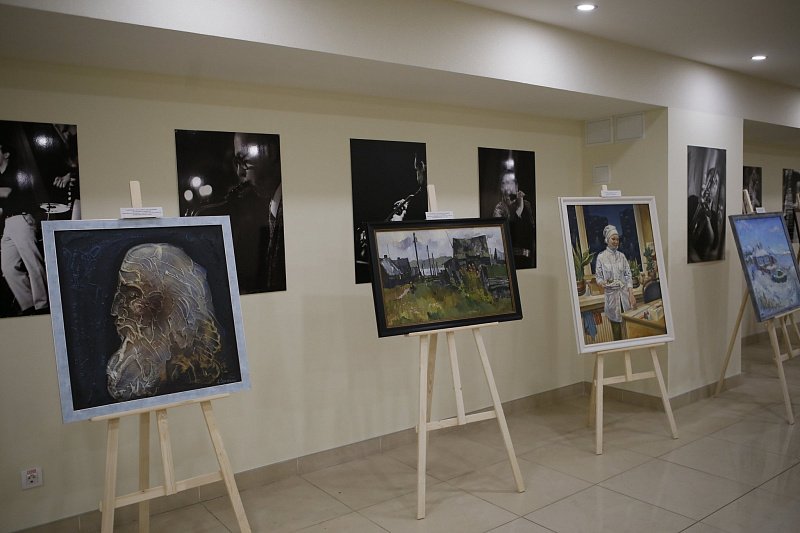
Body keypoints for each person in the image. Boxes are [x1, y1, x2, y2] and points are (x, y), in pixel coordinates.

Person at [196, 132, 285, 293]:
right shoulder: (274, 204)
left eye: (243, 161)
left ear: (270, 152)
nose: (239, 173)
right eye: (236, 163)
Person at [0, 142, 48, 315]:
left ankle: (43, 305)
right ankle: (28, 305)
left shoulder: (16, 171)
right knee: (8, 267)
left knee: (33, 263)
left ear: (6, 154)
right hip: (8, 224)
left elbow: (6, 192)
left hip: (21, 219)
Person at [594, 224, 636, 341]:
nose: (616, 241)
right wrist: (603, 283)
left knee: (629, 330)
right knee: (617, 332)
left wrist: (631, 294)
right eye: (613, 239)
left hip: (625, 298)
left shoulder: (622, 256)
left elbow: (628, 275)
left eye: (617, 239)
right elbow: (598, 278)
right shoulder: (601, 257)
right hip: (612, 299)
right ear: (607, 240)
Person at [492, 170, 535, 268]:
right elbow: (504, 236)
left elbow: (532, 231)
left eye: (511, 183)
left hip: (528, 260)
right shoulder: (499, 208)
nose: (508, 187)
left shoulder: (527, 205)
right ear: (501, 188)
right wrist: (518, 210)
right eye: (504, 183)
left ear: (516, 186)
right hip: (510, 261)